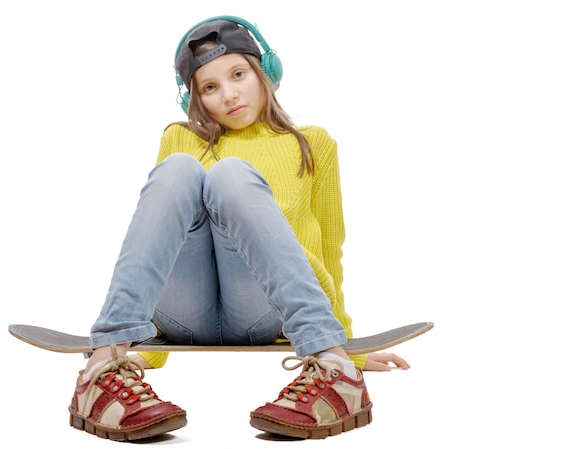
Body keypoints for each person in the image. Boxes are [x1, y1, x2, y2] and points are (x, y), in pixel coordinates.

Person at [68, 16, 410, 442]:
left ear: (266, 72)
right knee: (177, 169)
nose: (228, 94)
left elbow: (329, 247)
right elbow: (157, 236)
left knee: (231, 174)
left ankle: (333, 366)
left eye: (238, 74)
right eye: (210, 87)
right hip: (183, 311)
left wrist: (346, 345)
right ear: (196, 99)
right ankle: (104, 361)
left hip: (264, 309)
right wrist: (147, 355)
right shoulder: (180, 137)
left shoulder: (312, 142)